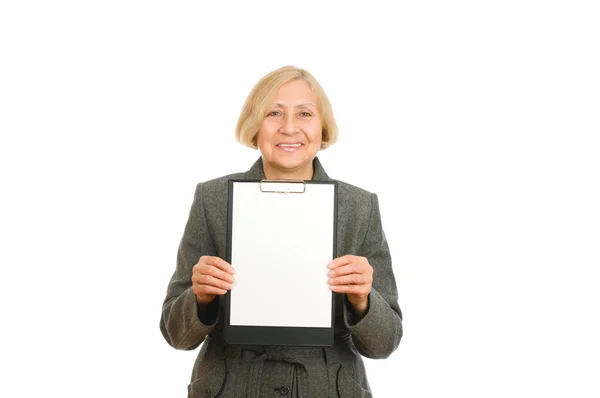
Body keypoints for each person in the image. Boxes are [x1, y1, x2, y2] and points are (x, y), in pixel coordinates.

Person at [160, 65, 403, 397]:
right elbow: (176, 334)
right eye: (274, 113)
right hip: (232, 387)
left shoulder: (359, 207)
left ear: (322, 127)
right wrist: (199, 298)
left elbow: (385, 343)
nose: (289, 128)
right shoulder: (212, 199)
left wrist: (362, 300)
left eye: (304, 113)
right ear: (255, 126)